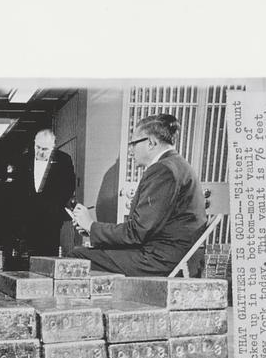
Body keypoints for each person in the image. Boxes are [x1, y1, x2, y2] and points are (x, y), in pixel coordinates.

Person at [70, 113, 207, 276]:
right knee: (91, 252)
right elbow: (142, 231)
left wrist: (92, 226)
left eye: (133, 143)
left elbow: (136, 233)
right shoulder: (176, 165)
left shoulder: (163, 170)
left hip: (161, 260)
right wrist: (91, 230)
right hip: (170, 254)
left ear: (151, 143)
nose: (130, 150)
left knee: (77, 257)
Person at [13, 129, 76, 257]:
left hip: (51, 218)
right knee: (27, 256)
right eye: (38, 147)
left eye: (45, 149)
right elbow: (17, 189)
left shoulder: (64, 160)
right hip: (27, 218)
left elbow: (69, 186)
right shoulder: (23, 160)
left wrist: (55, 206)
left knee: (48, 255)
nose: (40, 152)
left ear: (53, 148)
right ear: (34, 144)